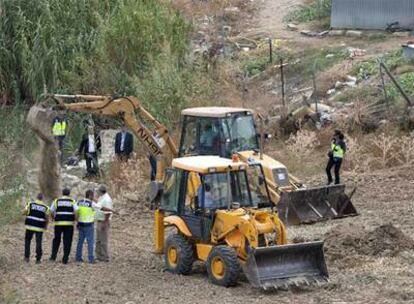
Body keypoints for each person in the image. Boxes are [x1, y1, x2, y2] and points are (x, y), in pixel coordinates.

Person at [75, 189, 116, 264]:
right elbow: (101, 208)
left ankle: (78, 257)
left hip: (80, 224)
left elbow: (76, 212)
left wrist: (77, 222)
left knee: (80, 242)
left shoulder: (79, 202)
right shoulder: (91, 203)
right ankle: (91, 258)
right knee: (90, 242)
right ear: (90, 196)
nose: (94, 197)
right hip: (89, 225)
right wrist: (111, 210)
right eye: (93, 195)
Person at [50, 188, 77, 264]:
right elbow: (76, 211)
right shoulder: (72, 201)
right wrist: (75, 219)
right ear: (69, 194)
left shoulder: (57, 201)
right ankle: (65, 259)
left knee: (56, 239)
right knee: (67, 241)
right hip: (69, 224)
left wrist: (53, 218)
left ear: (62, 193)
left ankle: (53, 256)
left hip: (58, 223)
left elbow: (51, 211)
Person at [23, 193, 49, 264]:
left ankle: (26, 257)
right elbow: (47, 218)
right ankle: (38, 259)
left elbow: (24, 212)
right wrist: (46, 226)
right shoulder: (46, 207)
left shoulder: (30, 204)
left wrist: (24, 213)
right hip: (39, 227)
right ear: (42, 199)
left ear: (37, 197)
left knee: (27, 241)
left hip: (29, 225)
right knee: (39, 242)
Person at [95, 185, 113, 262]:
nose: (97, 192)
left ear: (101, 191)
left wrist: (105, 223)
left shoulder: (106, 199)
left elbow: (108, 212)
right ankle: (99, 256)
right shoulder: (102, 197)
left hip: (103, 221)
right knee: (99, 239)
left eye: (98, 191)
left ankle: (105, 257)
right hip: (100, 220)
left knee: (103, 240)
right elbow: (99, 206)